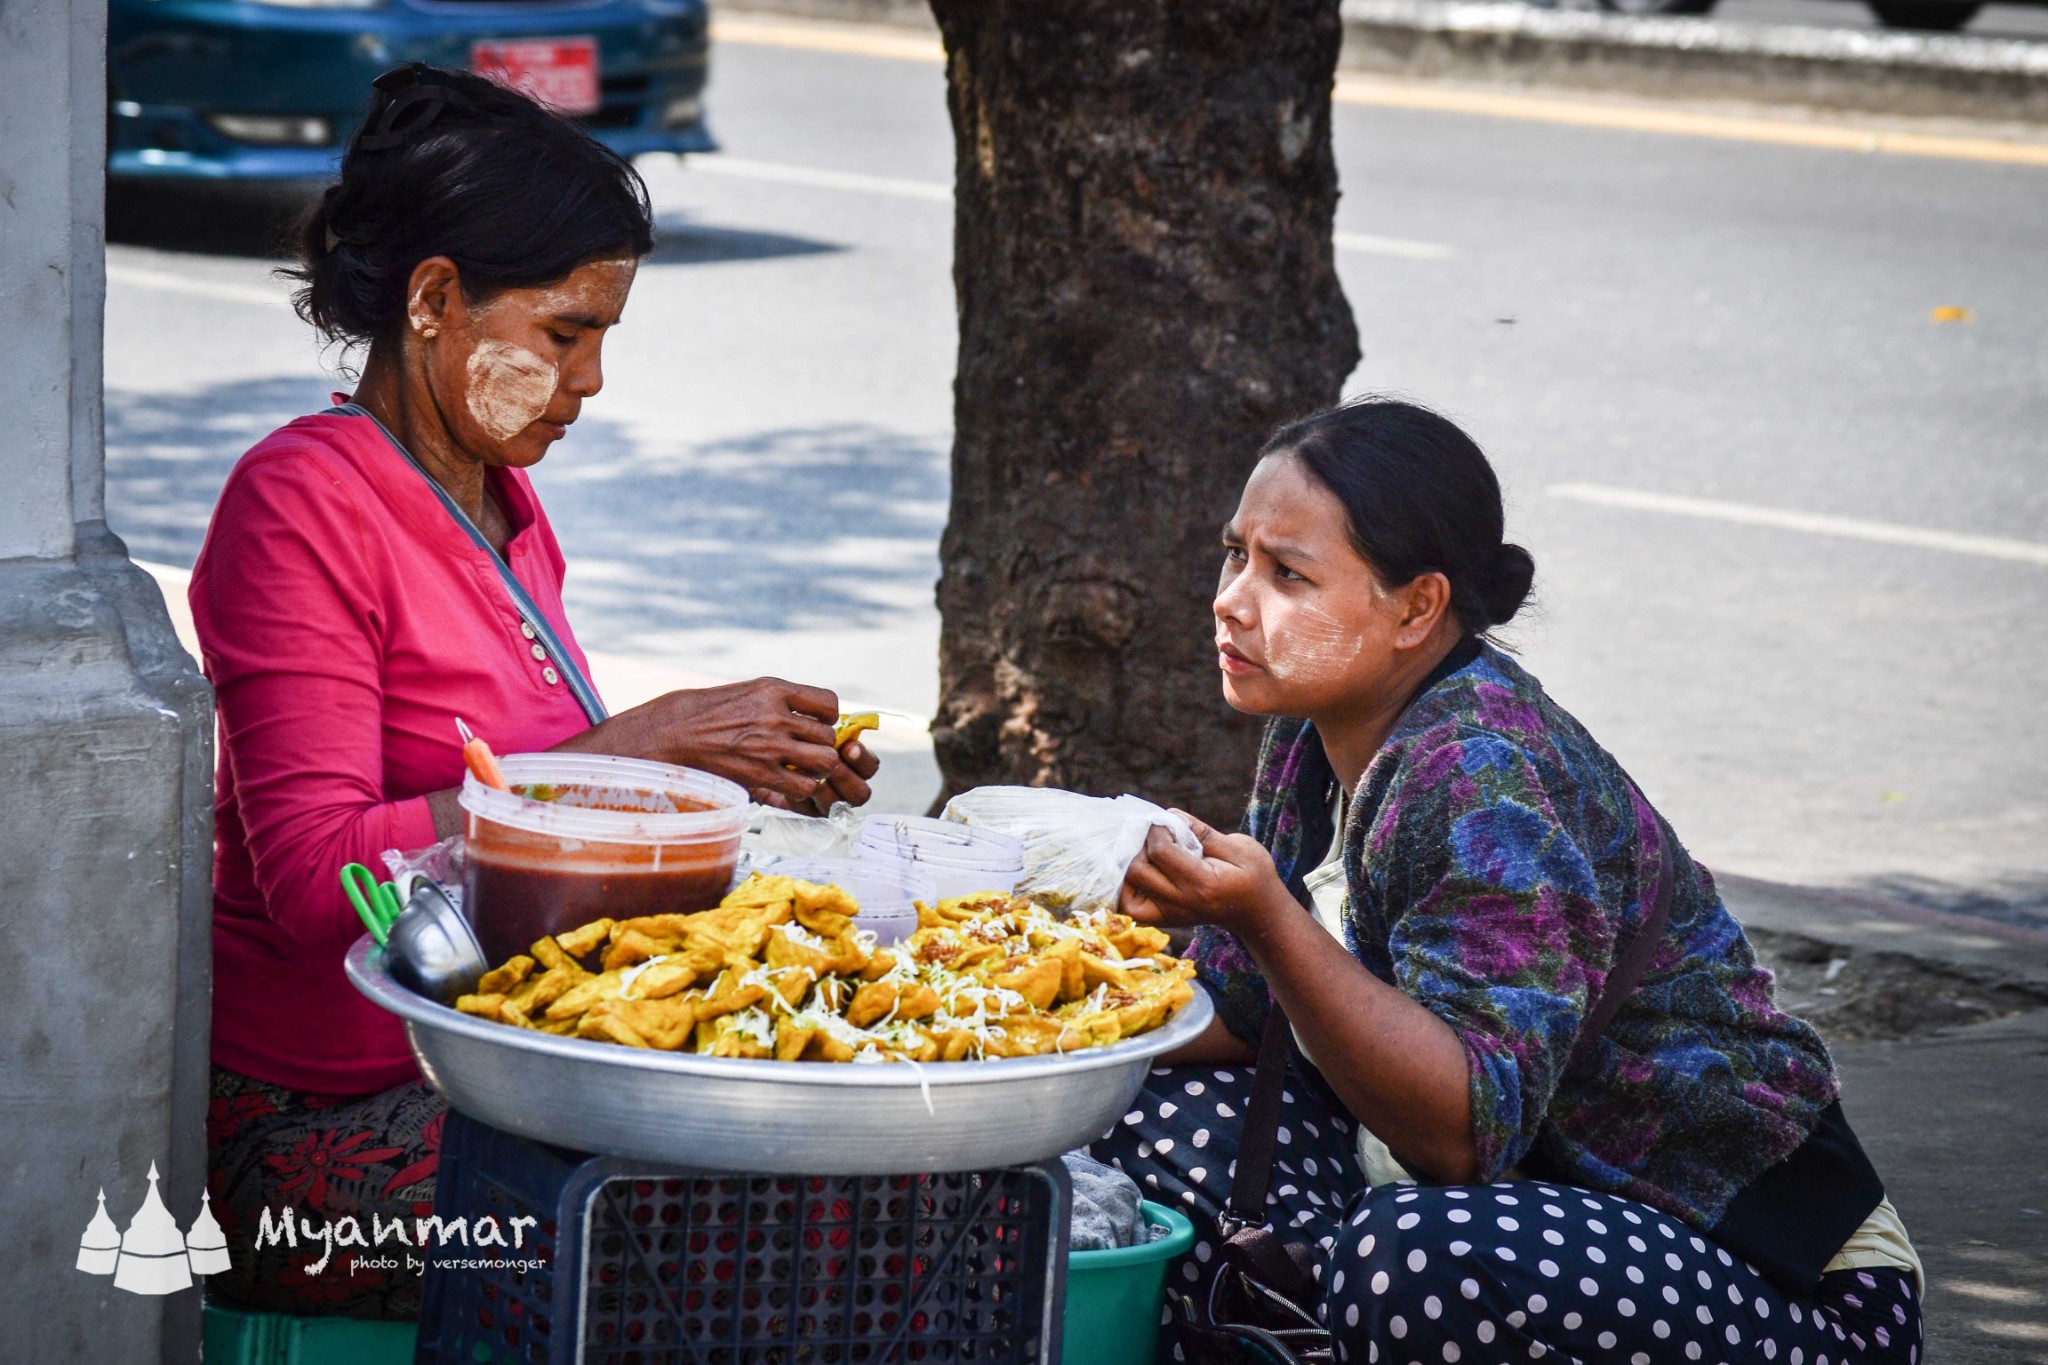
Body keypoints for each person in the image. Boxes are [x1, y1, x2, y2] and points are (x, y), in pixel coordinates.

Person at [188, 65, 879, 1318]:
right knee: (733, 1241)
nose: (593, 379)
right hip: (309, 1135)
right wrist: (625, 758)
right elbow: (311, 878)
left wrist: (723, 784)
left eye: (604, 336)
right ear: (437, 300)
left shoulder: (507, 512)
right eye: (565, 334)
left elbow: (527, 822)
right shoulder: (299, 506)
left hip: (499, 1064)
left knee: (863, 1174)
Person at [1100, 399, 1922, 1363]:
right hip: (1535, 1219)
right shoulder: (1313, 732)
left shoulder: (1483, 775)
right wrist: (1036, 1022)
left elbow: (1462, 1134)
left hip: (1774, 1278)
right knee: (1134, 1123)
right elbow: (1242, 1010)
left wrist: (1270, 919)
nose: (1233, 598)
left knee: (1409, 1258)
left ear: (1417, 607)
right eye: (1235, 554)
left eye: (1287, 573)